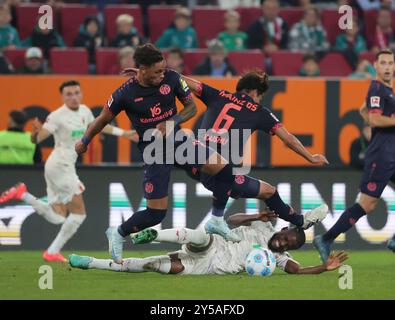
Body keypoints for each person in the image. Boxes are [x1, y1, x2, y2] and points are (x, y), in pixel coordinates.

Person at [75, 44, 244, 265]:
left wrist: (172, 121)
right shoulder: (124, 94)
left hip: (180, 142)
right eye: (157, 72)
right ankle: (118, 232)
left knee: (224, 168)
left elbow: (191, 107)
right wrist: (85, 141)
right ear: (142, 69)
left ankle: (217, 219)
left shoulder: (172, 78)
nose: (162, 75)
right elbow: (101, 120)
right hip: (154, 151)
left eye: (163, 70)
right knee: (156, 214)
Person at [124, 67, 329, 229]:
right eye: (260, 96)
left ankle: (219, 220)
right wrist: (310, 157)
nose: (259, 100)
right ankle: (299, 221)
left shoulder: (218, 95)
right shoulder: (259, 111)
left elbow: (183, 81)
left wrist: (147, 76)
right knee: (269, 192)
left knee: (184, 139)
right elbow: (289, 139)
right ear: (255, 92)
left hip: (197, 162)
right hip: (221, 171)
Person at [0, 80, 138, 262]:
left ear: (81, 94)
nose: (73, 97)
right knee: (79, 213)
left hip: (64, 166)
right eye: (69, 94)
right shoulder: (56, 116)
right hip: (59, 165)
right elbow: (37, 139)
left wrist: (125, 134)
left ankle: (24, 196)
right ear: (63, 97)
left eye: (76, 93)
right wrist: (34, 134)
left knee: (58, 217)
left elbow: (99, 125)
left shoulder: (85, 111)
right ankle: (51, 250)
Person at [69, 210, 348, 276]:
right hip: (216, 244)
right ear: (284, 229)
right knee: (201, 237)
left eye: (287, 243)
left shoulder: (277, 259)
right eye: (285, 234)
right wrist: (258, 214)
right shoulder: (263, 225)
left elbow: (297, 271)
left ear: (288, 248)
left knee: (152, 265)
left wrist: (325, 267)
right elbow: (234, 219)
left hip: (209, 268)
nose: (282, 241)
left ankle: (91, 263)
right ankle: (156, 234)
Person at [314, 49, 395, 260]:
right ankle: (326, 238)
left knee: (368, 204)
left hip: (391, 154)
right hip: (381, 156)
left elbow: (363, 110)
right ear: (375, 67)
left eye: (390, 63)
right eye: (383, 63)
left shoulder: (387, 91)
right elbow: (375, 120)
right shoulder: (377, 88)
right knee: (367, 204)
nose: (387, 67)